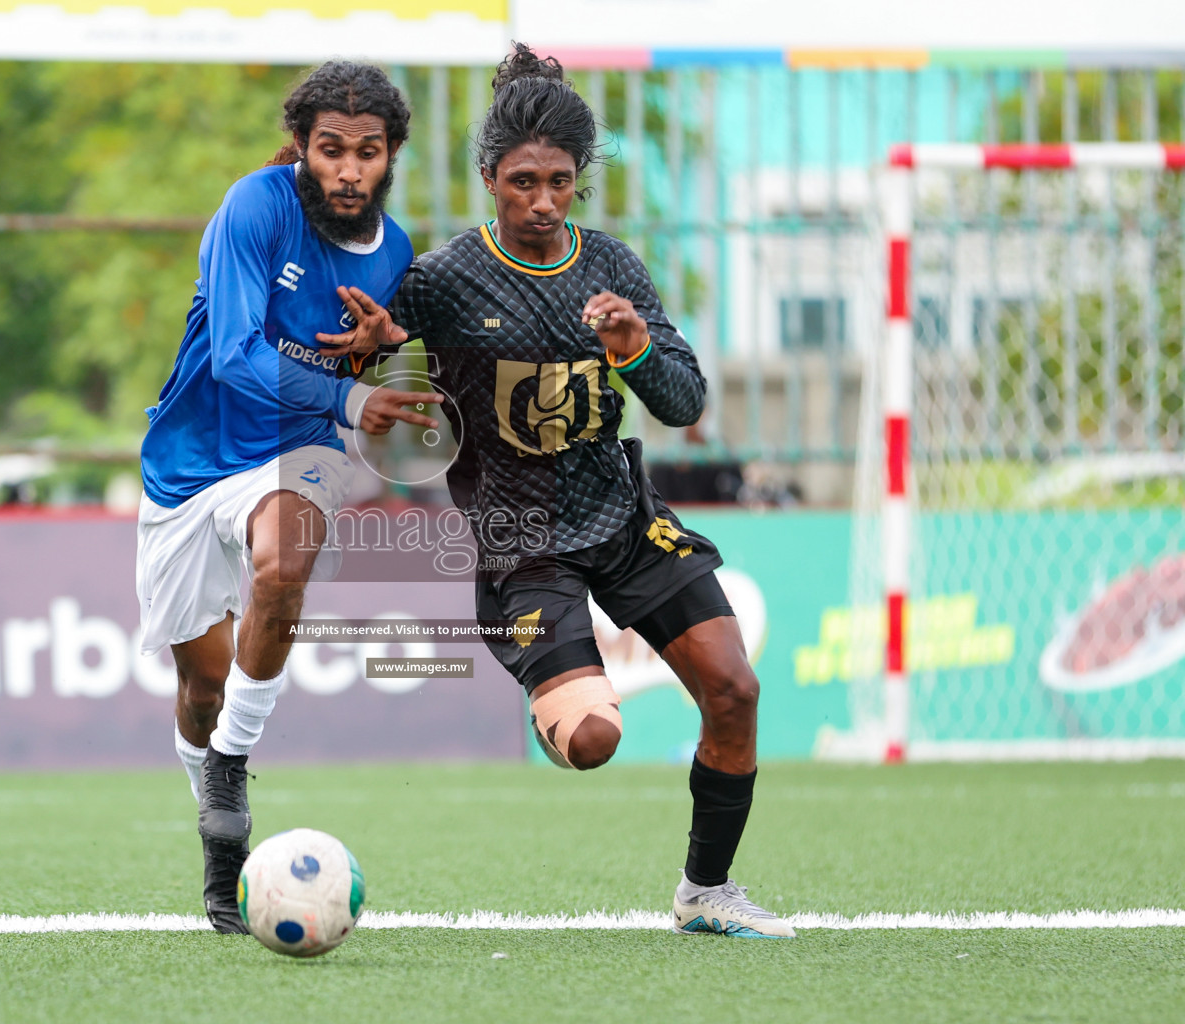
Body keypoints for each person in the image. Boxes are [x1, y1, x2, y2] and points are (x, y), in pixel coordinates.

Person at [329, 44, 793, 938]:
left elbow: (687, 399)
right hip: (521, 543)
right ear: (488, 179)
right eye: (523, 182)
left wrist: (634, 349)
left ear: (580, 181)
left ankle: (707, 892)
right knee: (592, 743)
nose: (543, 201)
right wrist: (383, 344)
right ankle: (559, 688)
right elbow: (377, 356)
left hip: (622, 519)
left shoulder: (610, 267)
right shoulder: (444, 278)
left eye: (561, 182)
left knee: (734, 690)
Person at [134, 61, 436, 934]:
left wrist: (386, 354)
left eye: (367, 152)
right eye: (331, 149)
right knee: (199, 686)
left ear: (390, 157)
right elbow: (234, 356)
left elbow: (374, 378)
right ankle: (218, 834)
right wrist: (351, 393)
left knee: (288, 555)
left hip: (294, 456)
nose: (348, 169)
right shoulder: (255, 207)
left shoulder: (398, 253)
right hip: (190, 465)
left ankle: (230, 767)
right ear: (303, 149)